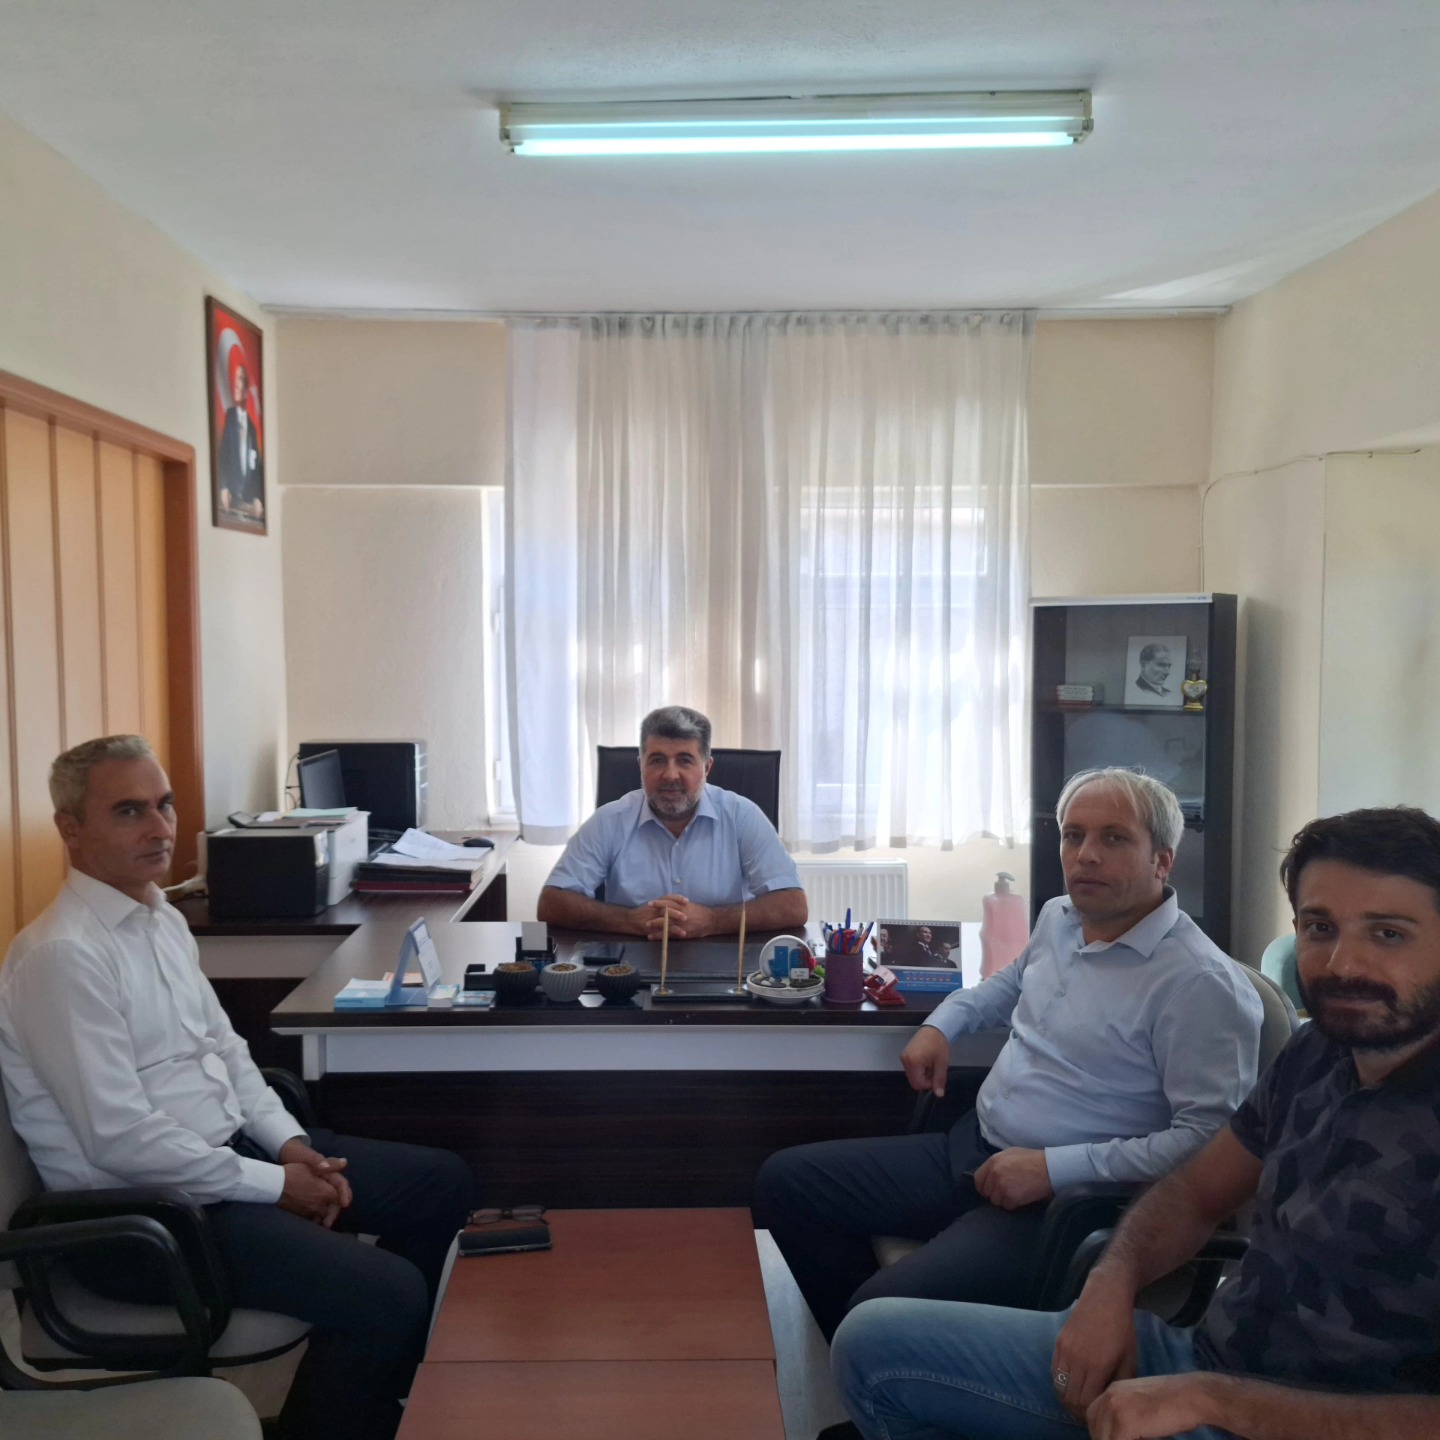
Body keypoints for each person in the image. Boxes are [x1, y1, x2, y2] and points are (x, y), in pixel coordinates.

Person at [831, 804, 1440, 1440]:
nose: (1343, 964)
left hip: (1293, 1416)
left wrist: (1219, 1403)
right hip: (1205, 1363)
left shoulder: (1199, 981)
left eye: (1388, 934)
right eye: (1320, 927)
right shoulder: (1318, 1054)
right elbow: (1196, 1191)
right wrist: (1111, 1282)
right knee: (872, 1343)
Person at [0, 735, 474, 1440]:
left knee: (440, 1184)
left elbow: (225, 1050)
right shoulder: (62, 957)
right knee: (388, 1294)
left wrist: (287, 1144)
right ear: (71, 829)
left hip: (222, 1163)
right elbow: (120, 1139)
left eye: (164, 805)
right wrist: (276, 1185)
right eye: (129, 811)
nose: (160, 828)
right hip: (144, 1218)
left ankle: (369, 1398)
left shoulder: (160, 918)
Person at [753, 767, 1262, 1343]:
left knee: (878, 1314)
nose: (1086, 856)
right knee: (786, 1185)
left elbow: (1207, 1144)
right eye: (1073, 835)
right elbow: (1009, 984)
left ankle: (882, 1343)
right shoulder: (1060, 918)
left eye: (1114, 838)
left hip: (1070, 1205)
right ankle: (871, 1357)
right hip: (974, 1150)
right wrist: (942, 1025)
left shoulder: (1200, 984)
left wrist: (1053, 1168)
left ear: (1162, 861)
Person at [536, 705, 807, 939]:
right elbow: (552, 903)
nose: (670, 775)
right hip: (629, 967)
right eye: (657, 761)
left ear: (707, 767)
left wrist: (714, 921)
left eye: (685, 761)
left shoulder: (741, 816)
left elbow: (793, 905)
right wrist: (629, 920)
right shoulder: (610, 820)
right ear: (641, 765)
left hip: (725, 962)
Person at [218, 363, 264, 519]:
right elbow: (223, 456)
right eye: (236, 379)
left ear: (246, 390)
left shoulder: (252, 428)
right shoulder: (230, 417)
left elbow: (256, 468)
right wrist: (223, 487)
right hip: (231, 498)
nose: (237, 386)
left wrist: (258, 497)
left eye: (241, 380)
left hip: (246, 502)